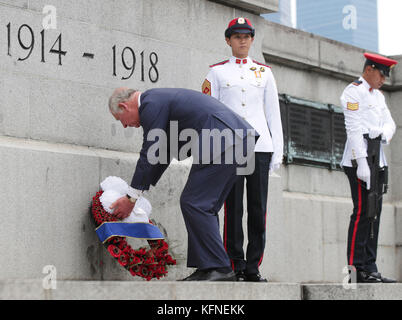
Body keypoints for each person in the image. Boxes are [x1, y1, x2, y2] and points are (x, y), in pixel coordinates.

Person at [107, 87, 258, 281]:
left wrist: (131, 197)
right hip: (234, 139)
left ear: (124, 106)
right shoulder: (157, 101)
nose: (125, 126)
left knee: (195, 202)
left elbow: (151, 149)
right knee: (202, 205)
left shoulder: (150, 104)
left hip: (224, 139)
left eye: (120, 120)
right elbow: (161, 152)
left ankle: (218, 267)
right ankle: (209, 267)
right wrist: (138, 193)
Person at [202, 17, 283, 282]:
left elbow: (273, 115)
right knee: (233, 208)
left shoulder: (265, 72)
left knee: (258, 209)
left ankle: (253, 266)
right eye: (237, 36)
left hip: (260, 148)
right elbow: (208, 113)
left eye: (247, 36)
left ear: (252, 39)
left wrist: (277, 152)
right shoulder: (216, 72)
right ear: (228, 40)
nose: (242, 40)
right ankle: (234, 264)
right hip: (230, 148)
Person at [341, 53, 398, 283]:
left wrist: (384, 133)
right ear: (369, 70)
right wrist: (362, 163)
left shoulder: (379, 96)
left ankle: (370, 266)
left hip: (378, 158)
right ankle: (354, 272)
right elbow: (353, 129)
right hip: (360, 160)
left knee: (374, 214)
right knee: (362, 213)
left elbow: (390, 123)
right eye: (381, 74)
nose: (383, 79)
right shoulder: (353, 91)